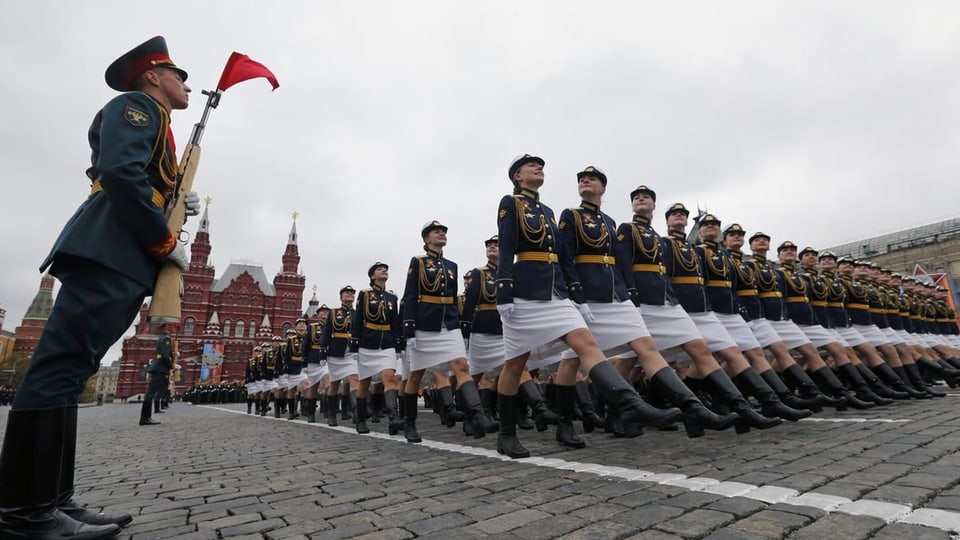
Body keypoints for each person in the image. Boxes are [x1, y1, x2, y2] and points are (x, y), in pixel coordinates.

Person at [0, 36, 202, 539]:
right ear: (153, 75)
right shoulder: (136, 105)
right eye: (178, 74)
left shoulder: (158, 122)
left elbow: (138, 176)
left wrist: (172, 197)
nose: (186, 84)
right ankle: (24, 512)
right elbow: (118, 172)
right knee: (59, 368)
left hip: (120, 251)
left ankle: (52, 499)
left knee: (71, 370)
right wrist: (163, 237)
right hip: (113, 246)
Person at [494, 155, 681, 459]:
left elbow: (564, 258)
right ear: (517, 177)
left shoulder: (548, 211)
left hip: (556, 293)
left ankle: (629, 404)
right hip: (525, 293)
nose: (539, 168)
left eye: (541, 165)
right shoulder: (510, 203)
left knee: (585, 343)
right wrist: (503, 290)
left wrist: (576, 297)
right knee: (516, 363)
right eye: (531, 166)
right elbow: (507, 246)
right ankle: (506, 434)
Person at [401, 221, 498, 443]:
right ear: (426, 239)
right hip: (425, 325)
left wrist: (458, 325)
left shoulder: (452, 265)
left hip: (449, 324)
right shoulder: (417, 262)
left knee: (462, 367)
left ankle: (478, 414)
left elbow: (453, 298)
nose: (442, 234)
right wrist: (409, 329)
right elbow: (409, 296)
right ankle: (409, 422)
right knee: (415, 376)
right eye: (437, 232)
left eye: (444, 232)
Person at [350, 262, 404, 435]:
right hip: (368, 341)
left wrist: (398, 344)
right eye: (380, 270)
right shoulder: (365, 294)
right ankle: (360, 419)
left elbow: (395, 322)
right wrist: (354, 345)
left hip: (387, 342)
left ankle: (393, 418)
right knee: (364, 383)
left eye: (386, 269)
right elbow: (357, 319)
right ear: (372, 276)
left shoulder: (392, 297)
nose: (384, 271)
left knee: (389, 378)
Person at [140, 323, 175, 425]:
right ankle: (145, 418)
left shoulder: (161, 338)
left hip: (158, 368)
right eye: (168, 327)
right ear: (164, 328)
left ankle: (145, 417)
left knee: (151, 392)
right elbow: (165, 355)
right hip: (160, 368)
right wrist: (170, 365)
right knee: (151, 393)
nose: (170, 329)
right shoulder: (166, 339)